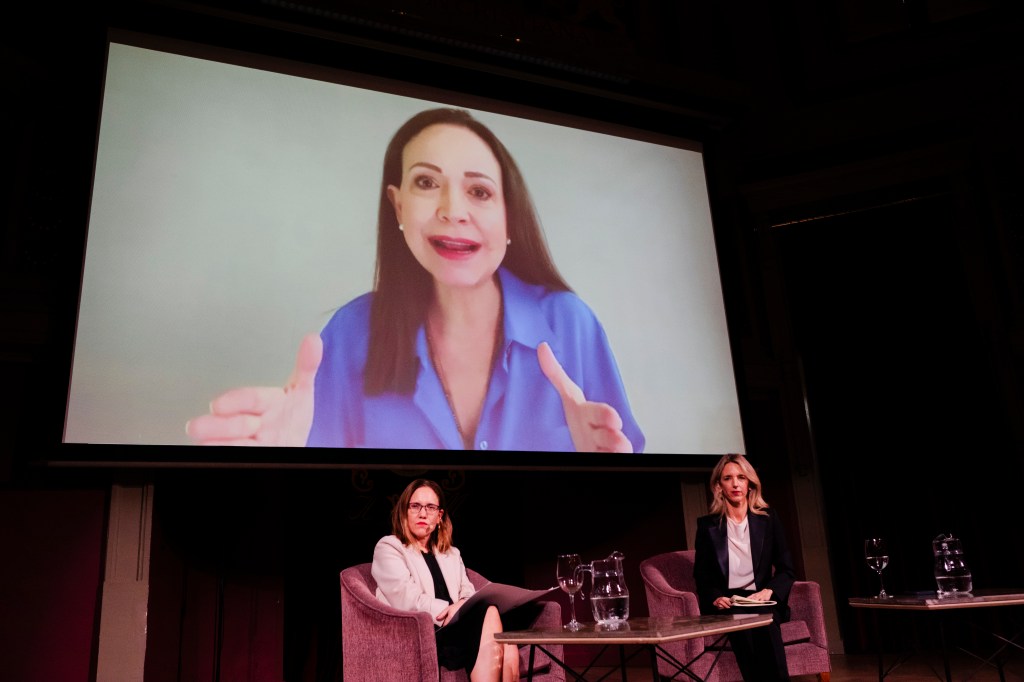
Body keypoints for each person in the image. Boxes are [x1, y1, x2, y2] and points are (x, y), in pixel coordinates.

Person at [185, 107, 643, 453]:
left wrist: (603, 471)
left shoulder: (571, 323)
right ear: (398, 205)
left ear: (509, 219)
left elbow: (630, 489)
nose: (452, 210)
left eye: (479, 191)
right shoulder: (348, 335)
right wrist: (289, 461)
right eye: (426, 183)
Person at [372, 479, 529, 681]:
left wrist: (461, 606)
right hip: (424, 632)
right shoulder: (389, 547)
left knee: (508, 644)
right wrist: (452, 610)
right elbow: (407, 600)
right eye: (415, 506)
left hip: (457, 628)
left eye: (430, 507)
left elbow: (467, 591)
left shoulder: (450, 554)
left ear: (439, 516)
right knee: (491, 617)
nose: (422, 514)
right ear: (404, 512)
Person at [693, 453, 794, 681]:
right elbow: (702, 574)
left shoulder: (768, 519)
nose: (735, 483)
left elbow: (787, 569)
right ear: (719, 486)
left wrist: (769, 591)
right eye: (728, 478)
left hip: (762, 599)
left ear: (750, 484)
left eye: (741, 477)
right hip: (730, 602)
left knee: (765, 621)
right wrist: (715, 597)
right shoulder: (707, 526)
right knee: (742, 625)